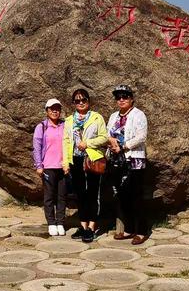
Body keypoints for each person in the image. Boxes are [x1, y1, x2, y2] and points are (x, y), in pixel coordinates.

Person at [63, 89, 108, 243]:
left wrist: (87, 143)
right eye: (77, 100)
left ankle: (92, 227)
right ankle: (83, 226)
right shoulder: (69, 120)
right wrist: (65, 162)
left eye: (84, 100)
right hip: (75, 160)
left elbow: (104, 137)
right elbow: (66, 141)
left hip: (92, 159)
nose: (81, 103)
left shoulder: (97, 117)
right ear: (73, 103)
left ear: (89, 101)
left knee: (93, 193)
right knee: (80, 194)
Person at [107, 84, 148, 245]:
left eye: (125, 96)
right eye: (118, 97)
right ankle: (130, 229)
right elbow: (107, 133)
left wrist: (123, 146)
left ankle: (143, 231)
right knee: (123, 196)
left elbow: (141, 137)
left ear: (131, 98)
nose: (121, 99)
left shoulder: (139, 115)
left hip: (133, 160)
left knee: (136, 196)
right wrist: (111, 143)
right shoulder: (113, 116)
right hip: (116, 161)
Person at [33, 98, 67, 236]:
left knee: (62, 196)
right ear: (47, 111)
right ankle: (51, 223)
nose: (55, 111)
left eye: (57, 108)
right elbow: (36, 147)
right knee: (49, 197)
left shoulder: (64, 126)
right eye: (52, 108)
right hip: (48, 166)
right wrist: (39, 165)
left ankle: (60, 222)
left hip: (63, 167)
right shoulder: (42, 126)